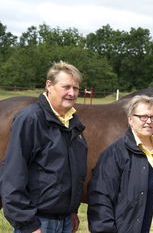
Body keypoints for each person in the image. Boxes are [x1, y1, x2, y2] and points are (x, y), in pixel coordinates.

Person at [0, 61, 88, 233]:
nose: (72, 93)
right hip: (39, 222)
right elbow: (13, 173)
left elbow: (72, 172)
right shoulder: (31, 119)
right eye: (66, 87)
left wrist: (72, 210)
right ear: (49, 85)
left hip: (65, 220)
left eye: (76, 88)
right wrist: (28, 224)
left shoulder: (73, 123)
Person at [88, 95, 153, 233]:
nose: (148, 121)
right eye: (143, 117)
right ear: (130, 119)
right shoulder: (115, 154)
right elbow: (101, 201)